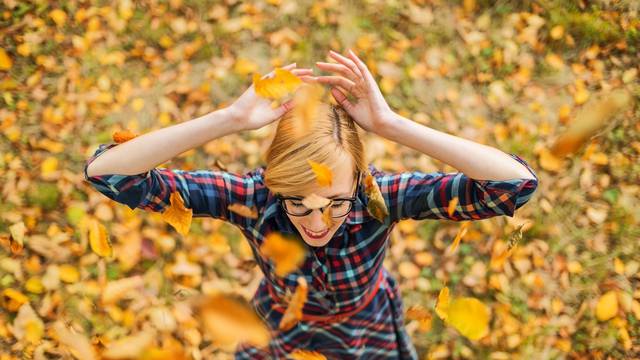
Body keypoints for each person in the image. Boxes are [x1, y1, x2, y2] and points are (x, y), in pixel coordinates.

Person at [84, 50, 538, 359]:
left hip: (364, 324)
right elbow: (110, 174)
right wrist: (228, 120)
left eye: (336, 202)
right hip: (281, 326)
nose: (317, 222)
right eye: (297, 204)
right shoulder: (250, 199)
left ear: (359, 181)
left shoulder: (379, 198)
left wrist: (391, 124)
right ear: (275, 184)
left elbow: (513, 186)